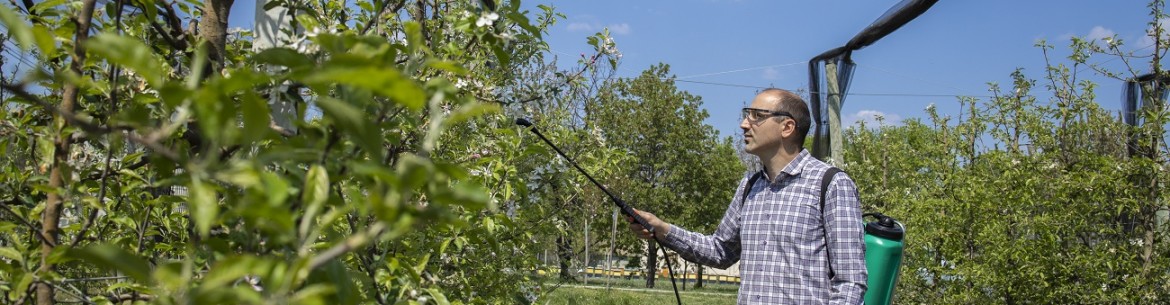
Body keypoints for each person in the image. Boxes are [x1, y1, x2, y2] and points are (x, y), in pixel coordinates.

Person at [628, 88, 867, 304]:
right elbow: (720, 251)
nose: (744, 124)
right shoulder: (749, 186)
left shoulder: (832, 184)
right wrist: (662, 229)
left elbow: (850, 281)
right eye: (746, 115)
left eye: (756, 116)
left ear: (787, 127)